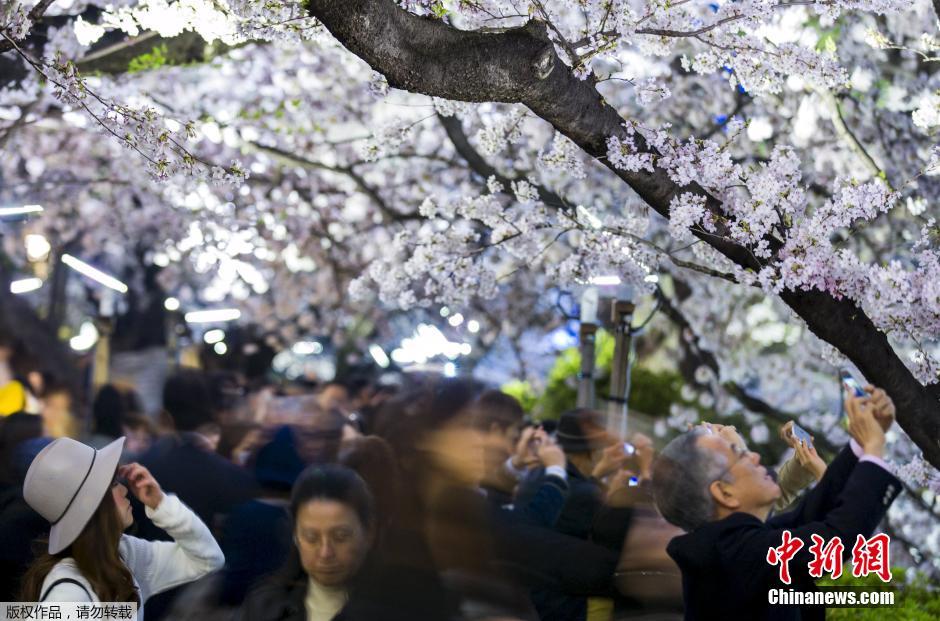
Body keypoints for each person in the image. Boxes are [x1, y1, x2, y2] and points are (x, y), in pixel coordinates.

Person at [652, 387, 902, 621]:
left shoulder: (729, 544)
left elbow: (809, 519)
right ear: (725, 493)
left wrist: (861, 443)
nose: (755, 455)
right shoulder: (735, 554)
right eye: (739, 454)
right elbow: (834, 538)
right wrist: (873, 448)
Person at [18, 436, 223, 612]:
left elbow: (207, 560)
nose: (125, 490)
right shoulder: (68, 593)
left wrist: (161, 504)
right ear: (91, 505)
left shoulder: (124, 554)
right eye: (113, 484)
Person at [240, 464, 376, 621]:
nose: (325, 553)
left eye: (340, 537)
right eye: (311, 538)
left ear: (369, 533)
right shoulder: (265, 605)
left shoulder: (397, 607)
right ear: (295, 536)